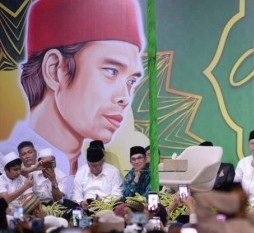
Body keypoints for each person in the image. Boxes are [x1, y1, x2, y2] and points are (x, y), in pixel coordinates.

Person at [0, 0, 145, 176]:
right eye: (111, 71)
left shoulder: (88, 167)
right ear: (54, 70)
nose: (125, 97)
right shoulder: (8, 163)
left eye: (131, 81)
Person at [72, 146, 123, 210]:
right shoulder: (81, 171)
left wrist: (103, 202)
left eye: (99, 164)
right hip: (86, 208)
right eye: (93, 165)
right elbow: (76, 193)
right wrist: (81, 202)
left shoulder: (113, 171)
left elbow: (117, 194)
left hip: (107, 208)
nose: (96, 167)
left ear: (103, 161)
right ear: (88, 164)